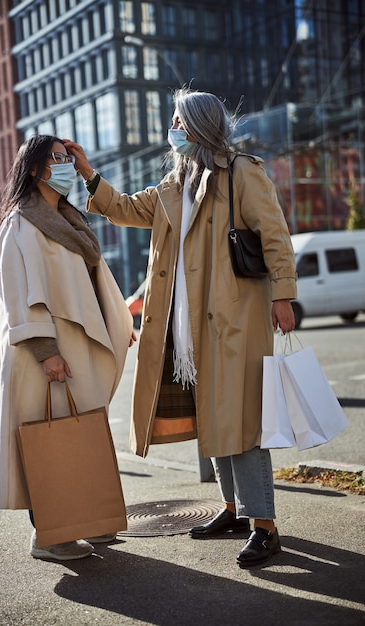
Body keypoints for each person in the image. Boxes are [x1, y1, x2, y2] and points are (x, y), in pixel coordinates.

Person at [64, 86, 297, 568]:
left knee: (244, 421)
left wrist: (283, 295)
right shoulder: (174, 186)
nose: (171, 129)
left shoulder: (242, 174)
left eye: (177, 120)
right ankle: (232, 510)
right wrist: (88, 172)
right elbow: (124, 207)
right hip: (188, 329)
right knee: (216, 414)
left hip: (235, 319)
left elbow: (275, 236)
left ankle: (265, 526)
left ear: (198, 125)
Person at [0, 135, 135, 561]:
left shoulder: (69, 219)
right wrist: (45, 350)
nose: (66, 164)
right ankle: (49, 536)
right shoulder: (21, 224)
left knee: (82, 432)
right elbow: (19, 295)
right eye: (57, 158)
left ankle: (87, 518)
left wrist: (114, 323)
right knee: (50, 440)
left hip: (77, 347)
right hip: (46, 353)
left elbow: (88, 282)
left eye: (68, 156)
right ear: (34, 169)